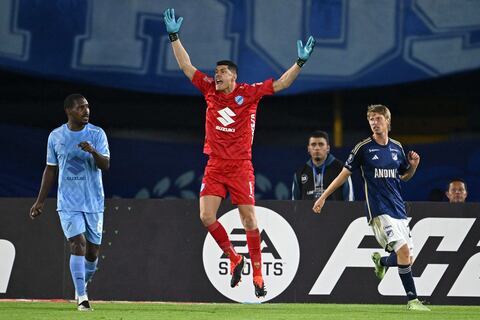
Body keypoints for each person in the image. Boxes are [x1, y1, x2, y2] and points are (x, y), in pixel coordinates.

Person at [163, 8, 315, 298]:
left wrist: (299, 62)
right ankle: (234, 258)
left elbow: (282, 84)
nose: (216, 75)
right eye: (216, 72)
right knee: (206, 217)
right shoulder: (208, 89)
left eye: (221, 72)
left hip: (241, 166)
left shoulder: (250, 92)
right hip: (215, 165)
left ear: (234, 76)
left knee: (249, 221)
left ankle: (258, 276)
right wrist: (173, 36)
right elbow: (186, 66)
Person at [312, 104, 430, 311]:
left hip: (398, 209)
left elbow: (404, 176)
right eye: (371, 119)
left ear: (387, 122)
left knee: (408, 258)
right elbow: (344, 174)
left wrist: (414, 166)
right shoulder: (363, 148)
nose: (374, 123)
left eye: (378, 119)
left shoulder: (397, 147)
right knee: (403, 252)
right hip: (379, 209)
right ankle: (413, 301)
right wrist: (323, 196)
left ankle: (383, 262)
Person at [30, 94, 110, 311]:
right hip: (68, 202)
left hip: (93, 202)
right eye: (81, 108)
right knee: (78, 243)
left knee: (92, 253)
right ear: (69, 111)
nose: (86, 111)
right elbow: (50, 169)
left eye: (87, 107)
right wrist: (40, 201)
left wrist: (93, 151)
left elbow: (105, 165)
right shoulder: (56, 136)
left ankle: (81, 284)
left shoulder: (97, 134)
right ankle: (82, 298)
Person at [292, 130, 354, 201]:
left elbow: (350, 201)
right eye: (313, 144)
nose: (317, 148)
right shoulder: (300, 172)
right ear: (308, 149)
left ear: (328, 148)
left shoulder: (342, 170)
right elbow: (295, 204)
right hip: (307, 212)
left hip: (335, 212)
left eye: (321, 144)